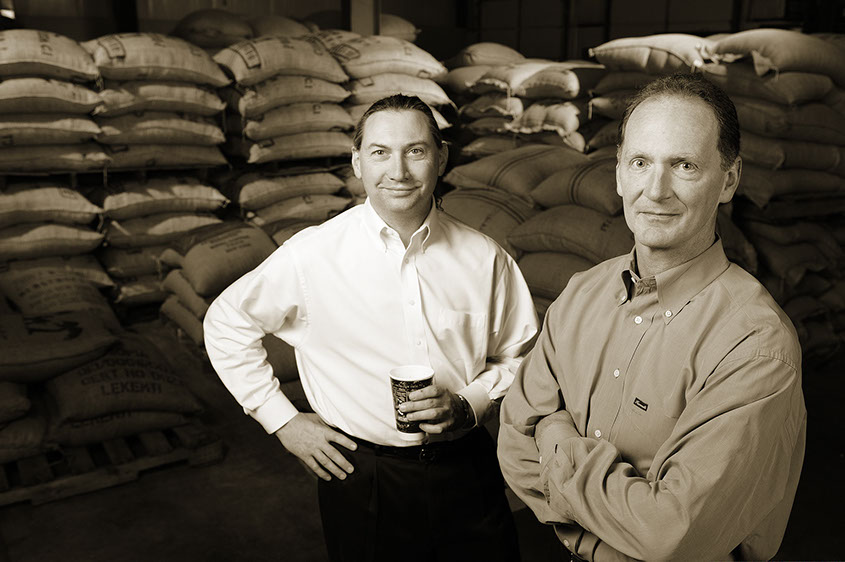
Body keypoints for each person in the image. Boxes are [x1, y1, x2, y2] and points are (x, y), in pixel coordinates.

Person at [204, 94, 538, 562]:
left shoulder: (485, 258)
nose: (398, 171)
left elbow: (521, 357)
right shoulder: (313, 255)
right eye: (380, 152)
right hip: (363, 477)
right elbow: (226, 321)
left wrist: (469, 404)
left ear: (441, 158)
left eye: (415, 151)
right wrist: (282, 420)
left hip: (466, 469)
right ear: (357, 162)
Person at [497, 73, 806, 561]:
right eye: (641, 163)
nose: (656, 190)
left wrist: (554, 435)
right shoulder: (580, 295)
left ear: (729, 180)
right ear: (620, 173)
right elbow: (514, 447)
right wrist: (615, 524)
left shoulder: (756, 345)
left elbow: (670, 533)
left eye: (684, 165)